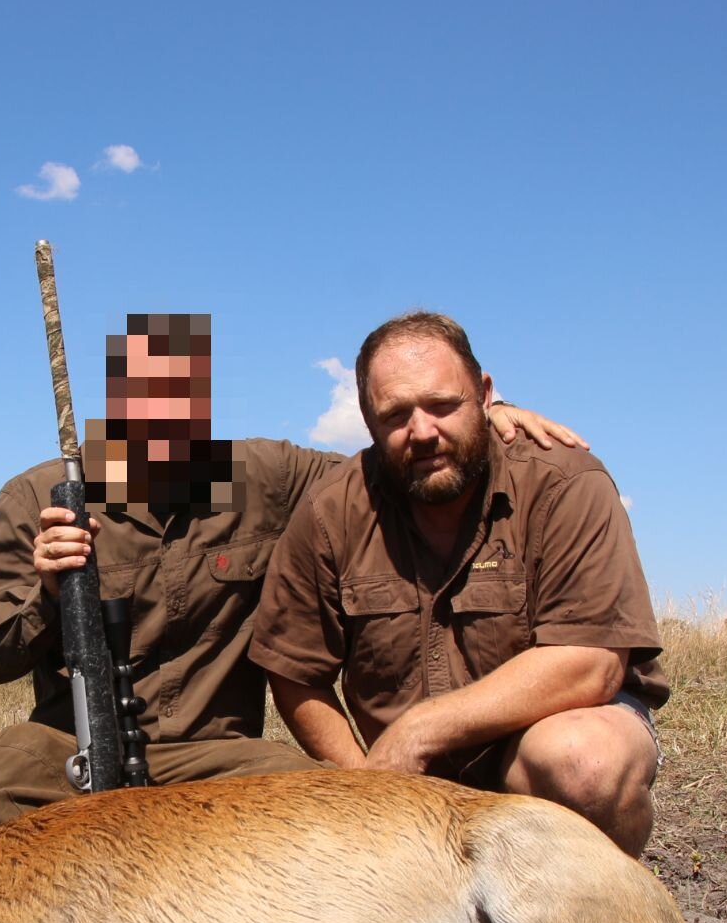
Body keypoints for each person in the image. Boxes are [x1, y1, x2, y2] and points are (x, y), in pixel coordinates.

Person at [0, 313, 581, 842]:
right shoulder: (36, 494)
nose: (164, 423)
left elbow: (385, 465)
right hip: (69, 748)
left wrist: (481, 418)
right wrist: (47, 595)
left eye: (183, 405)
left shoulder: (264, 474)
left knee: (329, 807)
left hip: (217, 755)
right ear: (114, 406)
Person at [249, 311, 665, 855]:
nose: (422, 432)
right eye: (396, 415)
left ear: (485, 393)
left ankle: (605, 920)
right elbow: (296, 673)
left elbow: (590, 662)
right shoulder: (331, 511)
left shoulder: (566, 482)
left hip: (540, 749)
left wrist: (418, 731)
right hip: (405, 784)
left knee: (582, 762)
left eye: (442, 405)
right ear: (368, 419)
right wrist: (367, 786)